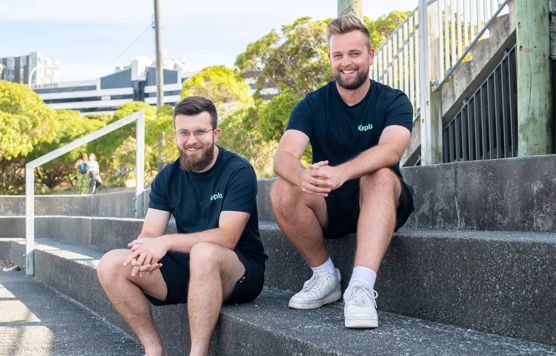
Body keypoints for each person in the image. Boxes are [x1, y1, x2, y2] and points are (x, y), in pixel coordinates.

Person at [269, 15, 414, 329]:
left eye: (354, 54)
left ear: (370, 56)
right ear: (330, 59)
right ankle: (325, 275)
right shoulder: (312, 104)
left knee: (378, 173)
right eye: (338, 55)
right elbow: (283, 157)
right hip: (330, 203)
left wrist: (342, 172)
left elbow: (391, 150)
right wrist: (302, 175)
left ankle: (360, 287)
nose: (346, 63)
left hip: (380, 200)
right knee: (282, 188)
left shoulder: (393, 101)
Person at [97, 96, 267, 356]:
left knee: (204, 251)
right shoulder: (167, 177)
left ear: (215, 133)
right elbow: (151, 232)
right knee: (111, 264)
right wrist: (144, 253)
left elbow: (227, 237)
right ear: (175, 135)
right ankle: (153, 349)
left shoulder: (238, 171)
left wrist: (165, 242)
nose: (191, 140)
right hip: (192, 268)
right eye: (184, 133)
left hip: (239, 270)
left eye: (200, 131)